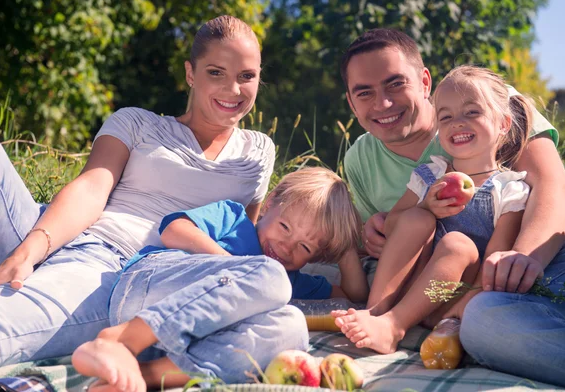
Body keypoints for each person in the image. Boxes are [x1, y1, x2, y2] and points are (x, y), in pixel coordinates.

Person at [0, 15, 308, 371]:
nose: (234, 90)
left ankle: (132, 361)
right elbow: (92, 187)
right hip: (68, 235)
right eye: (216, 73)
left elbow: (239, 240)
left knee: (289, 327)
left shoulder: (258, 151)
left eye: (246, 76)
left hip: (126, 273)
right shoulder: (137, 122)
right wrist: (30, 250)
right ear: (191, 73)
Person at [334, 28, 565, 390]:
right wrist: (380, 228)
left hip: (554, 232)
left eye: (395, 84)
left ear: (424, 81)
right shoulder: (373, 159)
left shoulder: (490, 99)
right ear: (351, 101)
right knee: (479, 305)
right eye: (365, 92)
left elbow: (551, 190)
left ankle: (410, 320)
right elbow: (393, 237)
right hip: (460, 284)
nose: (384, 104)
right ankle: (386, 318)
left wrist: (521, 259)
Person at [71, 167, 367, 391]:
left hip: (174, 342)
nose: (287, 247)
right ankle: (121, 341)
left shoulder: (292, 279)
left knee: (292, 327)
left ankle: (147, 375)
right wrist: (237, 271)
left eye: (305, 247)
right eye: (285, 227)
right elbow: (173, 229)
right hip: (147, 289)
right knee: (270, 274)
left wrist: (344, 249)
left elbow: (354, 294)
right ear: (269, 203)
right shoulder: (235, 218)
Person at [333, 65, 533, 353]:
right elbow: (394, 226)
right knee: (415, 218)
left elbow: (494, 263)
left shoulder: (510, 190)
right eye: (446, 116)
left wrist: (460, 314)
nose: (458, 123)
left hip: (453, 298)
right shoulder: (431, 172)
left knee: (458, 245)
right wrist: (427, 206)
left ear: (503, 123)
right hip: (410, 288)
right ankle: (374, 312)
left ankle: (394, 327)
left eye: (472, 112)